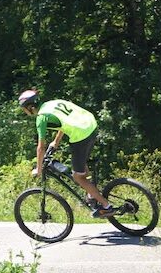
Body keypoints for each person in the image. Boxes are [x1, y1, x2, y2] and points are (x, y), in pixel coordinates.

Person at [18, 89, 116, 217]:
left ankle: (106, 207)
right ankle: (91, 193)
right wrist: (56, 142)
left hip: (81, 135)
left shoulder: (41, 118)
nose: (24, 112)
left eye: (24, 109)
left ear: (30, 107)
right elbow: (66, 122)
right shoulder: (52, 104)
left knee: (77, 177)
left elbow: (41, 148)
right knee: (81, 168)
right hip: (91, 125)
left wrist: (39, 168)